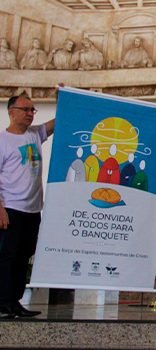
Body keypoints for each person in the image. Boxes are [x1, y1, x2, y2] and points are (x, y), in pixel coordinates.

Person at [0, 95, 55, 319]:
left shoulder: (35, 134)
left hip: (32, 209)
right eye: (26, 109)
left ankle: (15, 301)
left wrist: (66, 99)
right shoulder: (3, 140)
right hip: (11, 208)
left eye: (33, 109)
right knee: (7, 257)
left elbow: (58, 123)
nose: (31, 113)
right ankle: (3, 303)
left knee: (24, 256)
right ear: (12, 112)